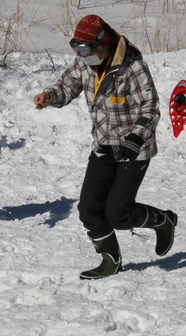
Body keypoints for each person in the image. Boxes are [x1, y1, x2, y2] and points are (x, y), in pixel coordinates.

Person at [33, 15, 177, 279]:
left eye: (86, 50)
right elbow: (67, 86)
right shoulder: (86, 64)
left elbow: (151, 107)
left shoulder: (133, 68)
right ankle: (110, 261)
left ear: (104, 44)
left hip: (135, 148)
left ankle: (163, 221)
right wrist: (50, 96)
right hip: (103, 144)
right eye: (76, 49)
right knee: (89, 209)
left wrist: (135, 138)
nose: (81, 56)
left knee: (119, 214)